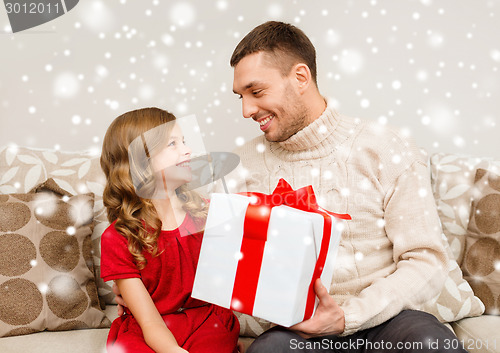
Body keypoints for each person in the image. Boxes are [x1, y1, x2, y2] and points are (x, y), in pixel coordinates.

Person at [225, 21, 467, 352]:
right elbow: (211, 260)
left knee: (431, 344)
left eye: (257, 92)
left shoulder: (385, 148)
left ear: (300, 78)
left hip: (387, 320)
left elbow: (426, 260)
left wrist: (348, 316)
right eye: (241, 96)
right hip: (297, 329)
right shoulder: (240, 169)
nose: (246, 110)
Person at [99, 107, 240, 353]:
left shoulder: (207, 215)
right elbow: (149, 321)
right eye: (172, 144)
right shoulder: (117, 237)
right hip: (148, 327)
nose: (187, 150)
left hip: (205, 322)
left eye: (184, 141)